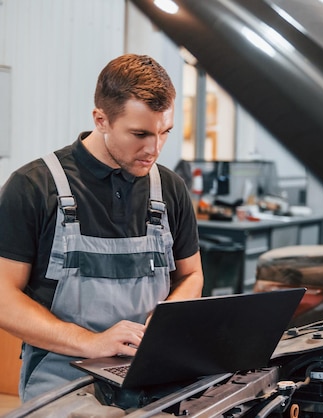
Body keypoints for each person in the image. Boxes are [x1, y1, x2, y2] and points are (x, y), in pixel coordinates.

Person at [0, 54, 204, 401]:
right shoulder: (33, 186)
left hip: (149, 370)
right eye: (139, 134)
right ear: (101, 119)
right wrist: (91, 342)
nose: (154, 149)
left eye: (164, 132)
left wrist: (165, 322)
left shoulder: (170, 189)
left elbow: (191, 275)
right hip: (64, 375)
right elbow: (3, 297)